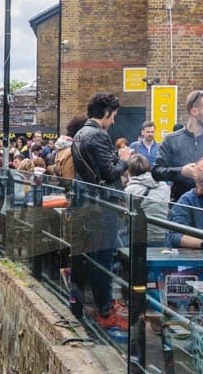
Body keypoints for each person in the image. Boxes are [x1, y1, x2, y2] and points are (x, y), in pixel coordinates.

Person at [71, 92, 134, 329]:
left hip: (86, 204)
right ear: (106, 112)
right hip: (101, 206)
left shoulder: (79, 134)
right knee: (103, 259)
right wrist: (124, 159)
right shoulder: (98, 135)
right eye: (114, 115)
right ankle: (105, 311)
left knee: (97, 258)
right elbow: (109, 172)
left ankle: (102, 306)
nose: (114, 121)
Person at [152, 89, 203, 202]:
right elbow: (156, 171)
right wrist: (181, 171)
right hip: (181, 205)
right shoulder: (171, 140)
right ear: (194, 111)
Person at [123, 154, 171, 245]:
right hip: (164, 237)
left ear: (130, 173)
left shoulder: (129, 190)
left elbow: (129, 215)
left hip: (143, 239)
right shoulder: (163, 185)